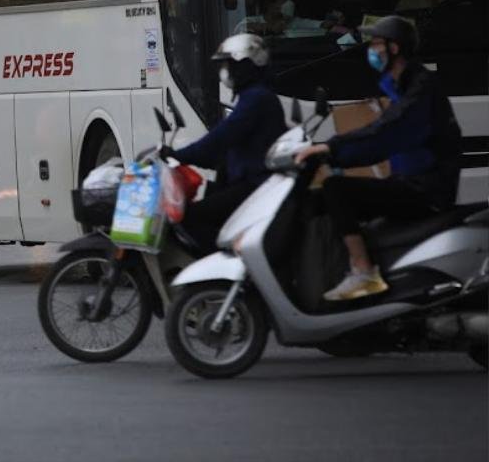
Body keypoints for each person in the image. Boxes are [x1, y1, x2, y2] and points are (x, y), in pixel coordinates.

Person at [296, 16, 462, 301]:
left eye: (375, 43)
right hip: (410, 182)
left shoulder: (420, 89)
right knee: (319, 199)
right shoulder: (401, 86)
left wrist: (331, 150)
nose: (370, 51)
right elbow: (379, 137)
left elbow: (385, 134)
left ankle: (364, 271)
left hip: (426, 190)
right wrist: (334, 155)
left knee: (337, 189)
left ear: (394, 48)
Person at [160, 34, 287, 250]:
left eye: (229, 64)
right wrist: (196, 159)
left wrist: (180, 155)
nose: (225, 71)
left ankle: (222, 271)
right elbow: (231, 147)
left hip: (255, 185)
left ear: (246, 64)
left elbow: (221, 137)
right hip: (250, 181)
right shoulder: (253, 96)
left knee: (189, 217)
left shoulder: (256, 98)